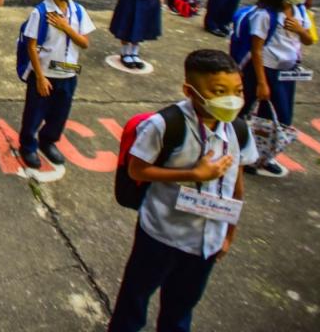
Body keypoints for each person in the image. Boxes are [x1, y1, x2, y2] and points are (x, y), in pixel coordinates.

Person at [107, 50, 256, 332]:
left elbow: (236, 182)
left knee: (181, 307)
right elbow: (137, 170)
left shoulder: (238, 130)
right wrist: (192, 174)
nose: (232, 99)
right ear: (190, 90)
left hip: (206, 240)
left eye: (238, 90)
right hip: (161, 233)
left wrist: (229, 233)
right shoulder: (166, 125)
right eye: (219, 91)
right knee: (134, 299)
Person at [239, 0, 314, 178]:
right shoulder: (264, 15)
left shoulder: (299, 11)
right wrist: (262, 83)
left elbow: (309, 40)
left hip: (286, 71)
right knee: (253, 115)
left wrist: (300, 30)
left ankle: (264, 156)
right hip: (265, 71)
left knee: (280, 118)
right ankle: (248, 155)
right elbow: (256, 50)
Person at [18, 0, 94, 170]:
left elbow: (84, 43)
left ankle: (48, 141)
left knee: (59, 113)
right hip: (45, 73)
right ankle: (28, 146)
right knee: (35, 112)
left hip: (68, 73)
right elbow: (31, 46)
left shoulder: (78, 11)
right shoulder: (40, 12)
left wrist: (66, 27)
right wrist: (40, 77)